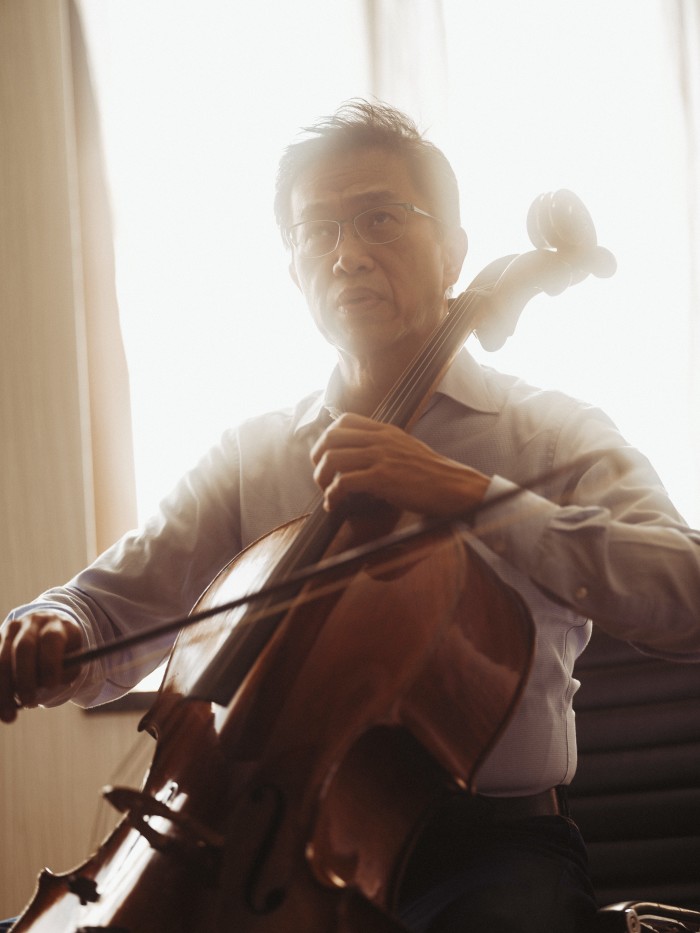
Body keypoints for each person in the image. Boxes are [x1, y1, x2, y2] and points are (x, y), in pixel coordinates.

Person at [1, 100, 699, 933]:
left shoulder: (549, 430)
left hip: (489, 853)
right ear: (293, 269)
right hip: (247, 844)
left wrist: (472, 496)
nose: (347, 255)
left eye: (381, 219)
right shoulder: (254, 454)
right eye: (317, 232)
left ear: (454, 252)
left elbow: (684, 590)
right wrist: (49, 625)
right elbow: (109, 605)